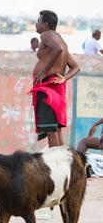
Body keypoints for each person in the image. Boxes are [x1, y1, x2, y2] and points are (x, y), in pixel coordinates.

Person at [29, 10, 80, 147]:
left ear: (45, 24)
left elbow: (58, 49)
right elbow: (75, 67)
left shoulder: (46, 35)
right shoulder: (60, 39)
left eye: (38, 21)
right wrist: (65, 78)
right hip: (56, 87)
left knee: (51, 130)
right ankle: (61, 161)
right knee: (56, 130)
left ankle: (55, 164)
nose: (36, 23)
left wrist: (43, 73)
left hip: (47, 88)